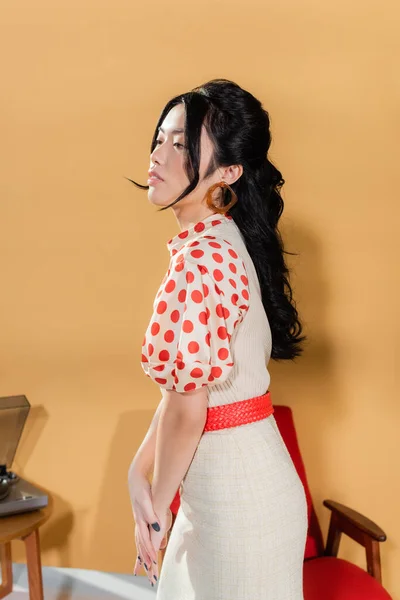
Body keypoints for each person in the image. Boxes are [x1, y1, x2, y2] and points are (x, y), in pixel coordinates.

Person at [127, 78, 308, 599]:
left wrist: (155, 510)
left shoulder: (202, 258)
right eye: (160, 138)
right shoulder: (219, 238)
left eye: (181, 144)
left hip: (238, 504)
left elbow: (189, 411)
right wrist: (139, 475)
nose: (159, 154)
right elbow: (180, 397)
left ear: (228, 172)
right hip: (234, 489)